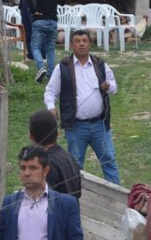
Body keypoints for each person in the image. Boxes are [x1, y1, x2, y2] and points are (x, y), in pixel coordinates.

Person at [44, 29, 120, 185]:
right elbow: (50, 92)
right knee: (75, 166)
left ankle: (117, 198)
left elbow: (114, 86)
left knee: (109, 161)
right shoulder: (63, 67)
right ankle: (76, 199)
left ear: (90, 44)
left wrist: (108, 86)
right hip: (76, 127)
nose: (81, 44)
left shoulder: (100, 64)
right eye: (77, 41)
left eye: (85, 41)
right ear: (72, 45)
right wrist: (51, 108)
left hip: (100, 125)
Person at [0, 145, 83, 240]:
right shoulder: (10, 202)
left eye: (33, 168)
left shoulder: (66, 204)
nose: (27, 173)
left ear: (45, 171)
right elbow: (1, 236)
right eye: (23, 168)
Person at [28, 110, 82, 199]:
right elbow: (78, 192)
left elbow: (44, 201)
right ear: (58, 133)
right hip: (73, 211)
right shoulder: (69, 156)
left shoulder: (44, 166)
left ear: (31, 137)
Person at [30, 0, 66, 83]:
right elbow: (62, 2)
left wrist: (33, 10)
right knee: (50, 48)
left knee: (35, 47)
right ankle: (50, 75)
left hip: (39, 20)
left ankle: (41, 67)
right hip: (53, 21)